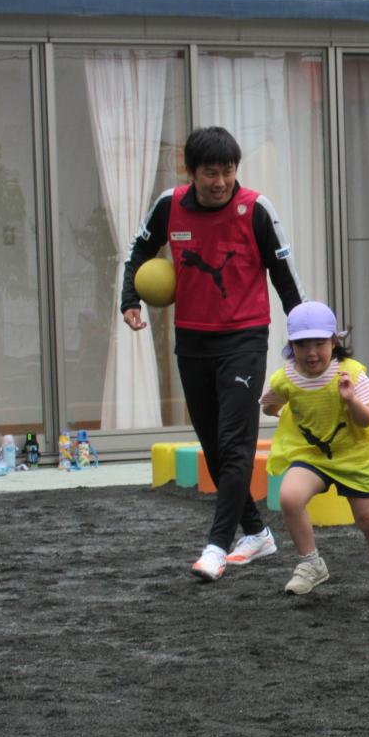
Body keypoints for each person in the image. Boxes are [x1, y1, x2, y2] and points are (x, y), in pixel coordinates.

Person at [121, 126, 305, 582]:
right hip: (192, 341)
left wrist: (307, 338)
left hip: (244, 338)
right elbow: (139, 250)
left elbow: (285, 276)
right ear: (191, 172)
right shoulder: (170, 205)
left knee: (235, 443)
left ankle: (216, 547)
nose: (220, 181)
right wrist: (130, 298)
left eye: (228, 171)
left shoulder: (256, 210)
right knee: (213, 446)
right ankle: (257, 533)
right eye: (210, 173)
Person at [259, 301, 369, 599]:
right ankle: (311, 564)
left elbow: (367, 420)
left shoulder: (351, 373)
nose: (311, 352)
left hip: (355, 455)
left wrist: (350, 400)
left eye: (319, 343)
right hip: (312, 455)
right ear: (291, 346)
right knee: (289, 497)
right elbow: (270, 405)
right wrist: (279, 410)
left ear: (334, 342)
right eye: (302, 344)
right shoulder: (286, 378)